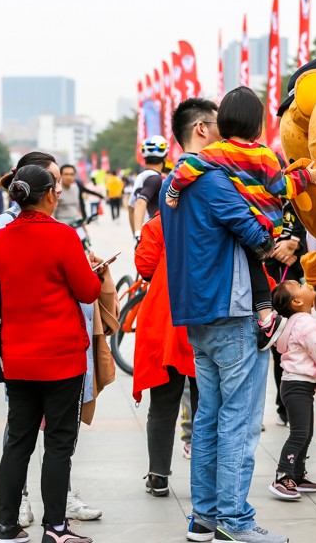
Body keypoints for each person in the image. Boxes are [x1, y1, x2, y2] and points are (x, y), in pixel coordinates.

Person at [162, 97, 287, 543]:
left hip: (197, 313)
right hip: (231, 308)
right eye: (217, 126)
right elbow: (254, 233)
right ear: (201, 129)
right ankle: (236, 520)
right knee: (239, 419)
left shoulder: (171, 183)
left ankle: (204, 518)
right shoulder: (214, 181)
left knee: (210, 416)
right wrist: (279, 236)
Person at [0, 164, 100, 543]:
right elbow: (88, 292)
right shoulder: (63, 237)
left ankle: (6, 527)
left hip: (17, 359)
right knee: (59, 445)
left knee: (18, 442)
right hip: (62, 359)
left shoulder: (0, 239)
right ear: (49, 194)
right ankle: (56, 529)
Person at [165, 87, 316, 348]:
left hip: (244, 230)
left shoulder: (215, 152)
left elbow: (188, 169)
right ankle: (266, 317)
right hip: (267, 225)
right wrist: (306, 178)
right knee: (256, 270)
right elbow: (281, 187)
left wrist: (174, 190)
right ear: (256, 125)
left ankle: (265, 318)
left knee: (252, 269)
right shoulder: (265, 155)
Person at [134, 213, 197, 498]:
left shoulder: (158, 223)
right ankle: (206, 475)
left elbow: (145, 266)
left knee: (162, 403)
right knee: (206, 403)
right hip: (203, 314)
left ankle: (158, 474)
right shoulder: (213, 214)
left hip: (165, 318)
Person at [268, 280, 316, 501]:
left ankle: (297, 476)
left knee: (306, 432)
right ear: (298, 301)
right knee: (300, 433)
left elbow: (300, 356)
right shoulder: (306, 325)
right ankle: (283, 475)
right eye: (299, 285)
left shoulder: (293, 322)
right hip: (297, 386)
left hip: (296, 384)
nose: (306, 285)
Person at [264, 200, 308, 427]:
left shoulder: (296, 204)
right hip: (266, 285)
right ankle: (273, 408)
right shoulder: (259, 198)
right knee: (271, 348)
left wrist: (293, 245)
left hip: (292, 287)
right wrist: (277, 251)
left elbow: (303, 232)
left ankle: (289, 407)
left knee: (292, 346)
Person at [130, 136, 168, 240]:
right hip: (153, 235)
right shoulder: (155, 179)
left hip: (143, 236)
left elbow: (131, 208)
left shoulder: (140, 177)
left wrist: (136, 234)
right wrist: (139, 233)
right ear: (165, 156)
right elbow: (141, 202)